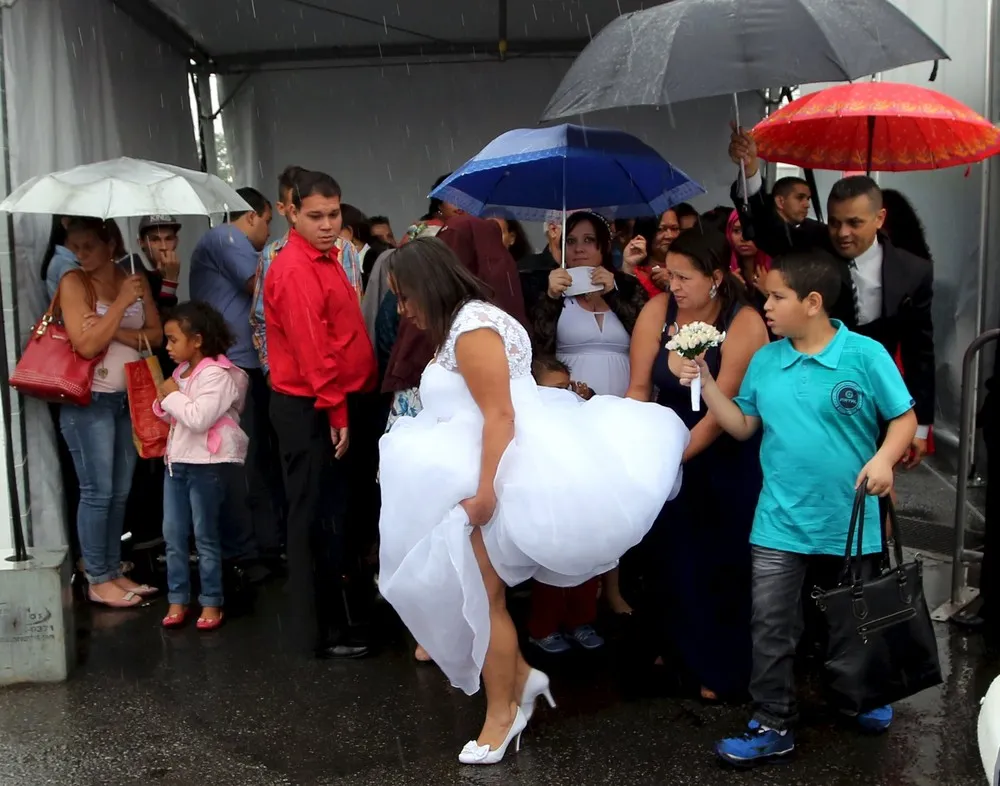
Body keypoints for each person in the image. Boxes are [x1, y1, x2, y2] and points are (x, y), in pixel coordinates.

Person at [377, 237, 688, 764]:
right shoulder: (464, 324)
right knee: (477, 593)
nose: (403, 310)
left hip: (496, 473)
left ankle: (503, 714)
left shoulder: (472, 329)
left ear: (428, 286)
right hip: (476, 466)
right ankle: (519, 679)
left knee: (483, 597)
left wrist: (484, 493)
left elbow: (500, 415)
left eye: (405, 297)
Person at [676, 250, 917, 766]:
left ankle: (863, 696)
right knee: (771, 625)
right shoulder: (767, 360)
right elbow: (742, 426)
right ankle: (773, 721)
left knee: (855, 618)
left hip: (851, 520)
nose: (766, 305)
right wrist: (708, 381)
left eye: (776, 297)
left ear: (812, 302)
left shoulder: (865, 355)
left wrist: (884, 460)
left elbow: (903, 419)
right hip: (779, 520)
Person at [728, 128, 934, 467]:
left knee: (872, 488)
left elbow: (920, 349)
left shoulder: (914, 271)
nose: (842, 233)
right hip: (812, 393)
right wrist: (750, 171)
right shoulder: (814, 242)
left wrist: (921, 425)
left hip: (875, 395)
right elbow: (763, 230)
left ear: (879, 219)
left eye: (855, 223)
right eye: (836, 222)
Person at [626, 227, 768, 699]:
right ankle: (676, 650)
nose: (675, 287)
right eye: (671, 275)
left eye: (685, 277)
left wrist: (672, 460)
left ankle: (722, 668)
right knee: (670, 555)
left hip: (724, 449)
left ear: (716, 278)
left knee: (722, 560)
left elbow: (720, 410)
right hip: (664, 444)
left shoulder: (744, 321)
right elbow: (639, 388)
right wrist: (636, 448)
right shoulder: (656, 311)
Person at [264, 169, 377, 660]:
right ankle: (322, 632)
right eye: (316, 216)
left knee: (334, 515)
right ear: (291, 211)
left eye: (334, 214)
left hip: (331, 402)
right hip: (311, 406)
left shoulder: (327, 258)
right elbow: (314, 350)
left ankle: (338, 620)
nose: (328, 224)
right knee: (313, 519)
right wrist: (335, 411)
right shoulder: (293, 267)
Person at [57, 217, 163, 607]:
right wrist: (120, 305)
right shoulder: (74, 282)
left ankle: (112, 569)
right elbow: (85, 345)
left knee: (119, 492)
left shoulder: (130, 276)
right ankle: (97, 576)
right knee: (97, 491)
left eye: (89, 246)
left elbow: (155, 336)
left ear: (109, 244)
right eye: (76, 247)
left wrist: (114, 326)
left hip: (125, 399)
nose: (81, 254)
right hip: (89, 401)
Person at [190, 187, 274, 576]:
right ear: (252, 216)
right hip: (231, 365)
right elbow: (265, 285)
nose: (268, 235)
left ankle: (251, 545)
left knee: (246, 458)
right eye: (269, 222)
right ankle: (243, 551)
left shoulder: (222, 241)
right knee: (240, 459)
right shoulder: (226, 237)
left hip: (239, 362)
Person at [155, 302, 249, 631]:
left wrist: (170, 396)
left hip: (205, 465)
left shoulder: (218, 375)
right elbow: (174, 412)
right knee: (173, 535)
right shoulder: (181, 373)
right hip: (176, 464)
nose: (167, 347)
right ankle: (177, 598)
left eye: (172, 339)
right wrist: (165, 400)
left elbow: (198, 418)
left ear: (196, 340)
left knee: (205, 536)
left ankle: (211, 601)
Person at [526, 356, 601, 654]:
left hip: (580, 498)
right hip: (549, 501)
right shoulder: (531, 415)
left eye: (568, 387)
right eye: (557, 388)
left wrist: (589, 400)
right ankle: (542, 627)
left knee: (586, 563)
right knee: (551, 568)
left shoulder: (578, 410)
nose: (565, 394)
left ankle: (580, 621)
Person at [532, 211, 648, 398]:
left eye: (588, 240)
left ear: (605, 246)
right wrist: (551, 298)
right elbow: (538, 348)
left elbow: (646, 336)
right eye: (570, 241)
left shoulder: (627, 285)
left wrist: (613, 295)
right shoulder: (546, 286)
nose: (579, 249)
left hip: (626, 397)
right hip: (570, 399)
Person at [624, 209, 683, 297]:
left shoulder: (690, 267)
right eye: (660, 229)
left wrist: (673, 282)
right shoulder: (632, 271)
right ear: (646, 233)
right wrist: (628, 267)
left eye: (674, 229)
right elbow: (628, 307)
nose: (669, 236)